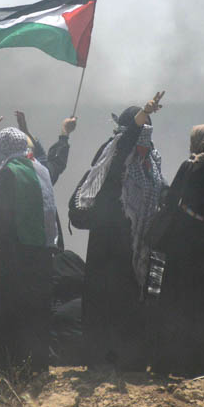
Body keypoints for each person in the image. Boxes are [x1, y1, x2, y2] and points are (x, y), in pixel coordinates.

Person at [69, 92, 166, 373]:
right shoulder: (114, 151)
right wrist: (140, 118)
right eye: (140, 127)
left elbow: (160, 188)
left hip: (135, 245)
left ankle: (130, 359)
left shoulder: (151, 159)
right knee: (104, 299)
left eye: (148, 128)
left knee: (130, 301)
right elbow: (125, 144)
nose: (144, 135)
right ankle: (100, 359)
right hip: (108, 241)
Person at [150, 124, 204, 377]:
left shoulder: (190, 167)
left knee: (175, 302)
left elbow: (170, 199)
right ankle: (201, 367)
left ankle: (166, 364)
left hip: (183, 244)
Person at [0, 127, 60, 376]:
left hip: (15, 253)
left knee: (11, 309)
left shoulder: (8, 171)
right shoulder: (41, 170)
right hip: (43, 252)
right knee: (37, 310)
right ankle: (37, 365)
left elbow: (0, 218)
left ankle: (10, 366)